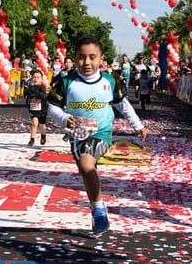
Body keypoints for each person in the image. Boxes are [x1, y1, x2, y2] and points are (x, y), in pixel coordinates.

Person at [47, 35, 147, 237]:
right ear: (75, 59)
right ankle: (96, 212)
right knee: (87, 171)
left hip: (101, 132)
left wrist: (137, 124)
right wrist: (64, 118)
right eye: (82, 57)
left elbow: (122, 104)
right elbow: (52, 106)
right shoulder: (66, 82)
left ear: (101, 59)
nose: (87, 62)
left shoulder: (110, 81)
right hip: (77, 134)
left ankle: (99, 210)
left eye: (92, 57)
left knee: (86, 165)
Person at [26, 69, 48, 148]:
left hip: (42, 109)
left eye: (38, 77)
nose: (36, 79)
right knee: (34, 123)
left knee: (42, 125)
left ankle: (43, 135)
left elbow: (43, 96)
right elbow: (28, 96)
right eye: (34, 77)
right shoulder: (30, 87)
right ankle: (32, 139)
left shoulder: (42, 87)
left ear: (41, 79)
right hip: (33, 108)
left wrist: (35, 91)